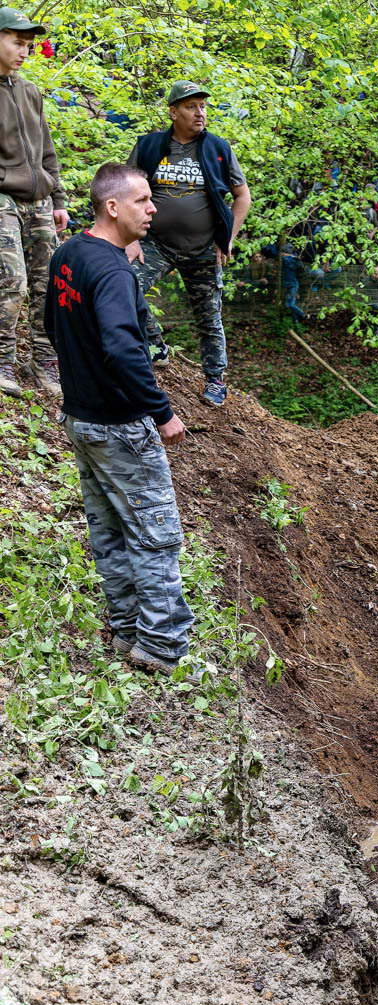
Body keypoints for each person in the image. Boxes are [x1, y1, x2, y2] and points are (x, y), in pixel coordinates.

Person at [46, 163, 194, 675]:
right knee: (156, 534)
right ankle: (162, 646)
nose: (152, 209)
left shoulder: (69, 253)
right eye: (142, 200)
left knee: (110, 531)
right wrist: (162, 411)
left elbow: (53, 326)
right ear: (112, 207)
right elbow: (123, 349)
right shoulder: (112, 271)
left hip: (80, 418)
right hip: (120, 424)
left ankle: (128, 630)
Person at [126, 81, 252, 408]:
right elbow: (127, 193)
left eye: (203, 107)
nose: (200, 113)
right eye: (191, 107)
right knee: (125, 285)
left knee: (209, 317)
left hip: (204, 248)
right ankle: (155, 345)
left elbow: (242, 197)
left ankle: (215, 379)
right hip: (156, 243)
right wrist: (131, 238)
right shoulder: (149, 146)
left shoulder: (218, 149)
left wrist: (228, 238)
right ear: (173, 112)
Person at [0, 7, 68, 399]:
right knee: (13, 281)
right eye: (17, 42)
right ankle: (3, 360)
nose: (25, 51)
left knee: (50, 283)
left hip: (40, 199)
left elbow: (47, 151)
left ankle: (44, 360)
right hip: (4, 198)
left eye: (28, 45)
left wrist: (58, 198)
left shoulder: (30, 91)